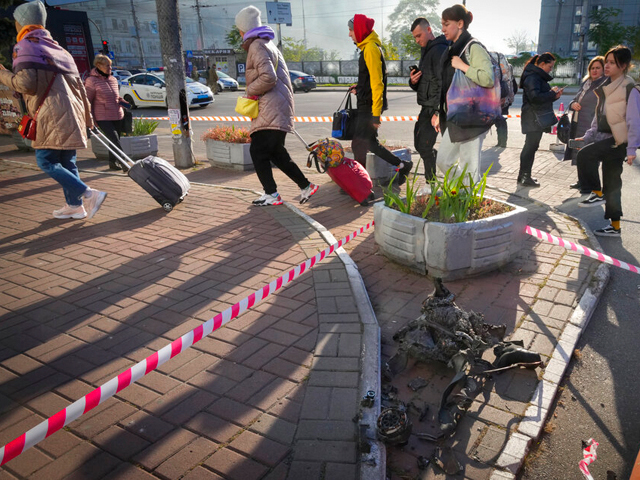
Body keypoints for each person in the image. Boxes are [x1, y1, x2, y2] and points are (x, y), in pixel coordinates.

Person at [0, 1, 106, 220]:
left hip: (51, 115)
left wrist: (2, 73)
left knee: (46, 161)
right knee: (68, 162)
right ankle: (74, 206)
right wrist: (88, 118)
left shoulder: (27, 46)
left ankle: (88, 193)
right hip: (72, 114)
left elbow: (26, 83)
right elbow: (79, 89)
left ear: (23, 22)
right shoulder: (59, 49)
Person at [235, 5, 318, 206]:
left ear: (243, 29)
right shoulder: (267, 44)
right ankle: (306, 186)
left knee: (258, 151)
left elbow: (268, 78)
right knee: (276, 153)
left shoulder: (257, 46)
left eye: (239, 28)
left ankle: (272, 194)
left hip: (270, 108)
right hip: (277, 107)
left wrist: (250, 91)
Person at [575, 45, 636, 237]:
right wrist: (587, 136)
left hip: (618, 142)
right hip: (604, 138)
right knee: (612, 184)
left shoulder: (629, 87)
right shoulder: (605, 87)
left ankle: (596, 193)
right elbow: (598, 118)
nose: (606, 66)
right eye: (606, 62)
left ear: (623, 65)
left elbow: (635, 120)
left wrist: (632, 148)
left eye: (611, 63)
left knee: (585, 156)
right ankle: (615, 226)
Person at [348, 14, 413, 183]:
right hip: (368, 103)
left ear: (359, 30)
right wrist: (359, 88)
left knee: (358, 144)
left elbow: (378, 84)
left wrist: (376, 114)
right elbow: (370, 80)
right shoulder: (368, 47)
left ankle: (360, 183)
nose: (349, 34)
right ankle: (402, 165)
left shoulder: (370, 48)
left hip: (369, 107)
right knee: (370, 143)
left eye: (351, 30)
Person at [435, 4, 495, 183]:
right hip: (454, 116)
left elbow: (488, 79)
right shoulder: (451, 50)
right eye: (442, 24)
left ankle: (466, 203)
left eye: (446, 24)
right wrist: (440, 111)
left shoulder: (473, 47)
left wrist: (463, 66)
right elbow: (447, 85)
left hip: (472, 118)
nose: (443, 28)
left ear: (460, 23)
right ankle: (461, 192)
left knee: (469, 167)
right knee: (443, 160)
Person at [408, 17, 448, 180]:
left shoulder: (438, 50)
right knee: (421, 145)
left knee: (424, 146)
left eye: (419, 36)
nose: (417, 40)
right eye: (415, 37)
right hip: (426, 106)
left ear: (429, 30)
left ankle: (431, 181)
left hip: (434, 109)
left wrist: (438, 111)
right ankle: (435, 176)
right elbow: (427, 82)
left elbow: (443, 82)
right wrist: (413, 81)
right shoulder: (426, 51)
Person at [518, 52, 562, 187]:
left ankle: (524, 176)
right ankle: (525, 176)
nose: (551, 69)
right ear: (542, 64)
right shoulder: (533, 77)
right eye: (550, 66)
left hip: (534, 117)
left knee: (531, 146)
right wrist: (551, 93)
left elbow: (538, 97)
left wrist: (553, 96)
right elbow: (535, 97)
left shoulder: (535, 76)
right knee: (530, 147)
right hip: (533, 117)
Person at [565, 56, 606, 191]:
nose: (594, 71)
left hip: (591, 126)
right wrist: (573, 104)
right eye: (592, 68)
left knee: (590, 156)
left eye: (597, 68)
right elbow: (575, 99)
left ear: (603, 69)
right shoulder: (586, 83)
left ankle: (590, 185)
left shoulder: (604, 85)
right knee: (579, 154)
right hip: (578, 123)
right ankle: (581, 181)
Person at [85, 54, 128, 171]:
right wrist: (90, 118)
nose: (110, 68)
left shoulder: (113, 79)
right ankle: (125, 163)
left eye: (110, 65)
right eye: (107, 66)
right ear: (98, 65)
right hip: (102, 116)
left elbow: (116, 97)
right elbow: (88, 100)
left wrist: (123, 102)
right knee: (114, 139)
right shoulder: (91, 81)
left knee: (114, 140)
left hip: (117, 114)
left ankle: (112, 163)